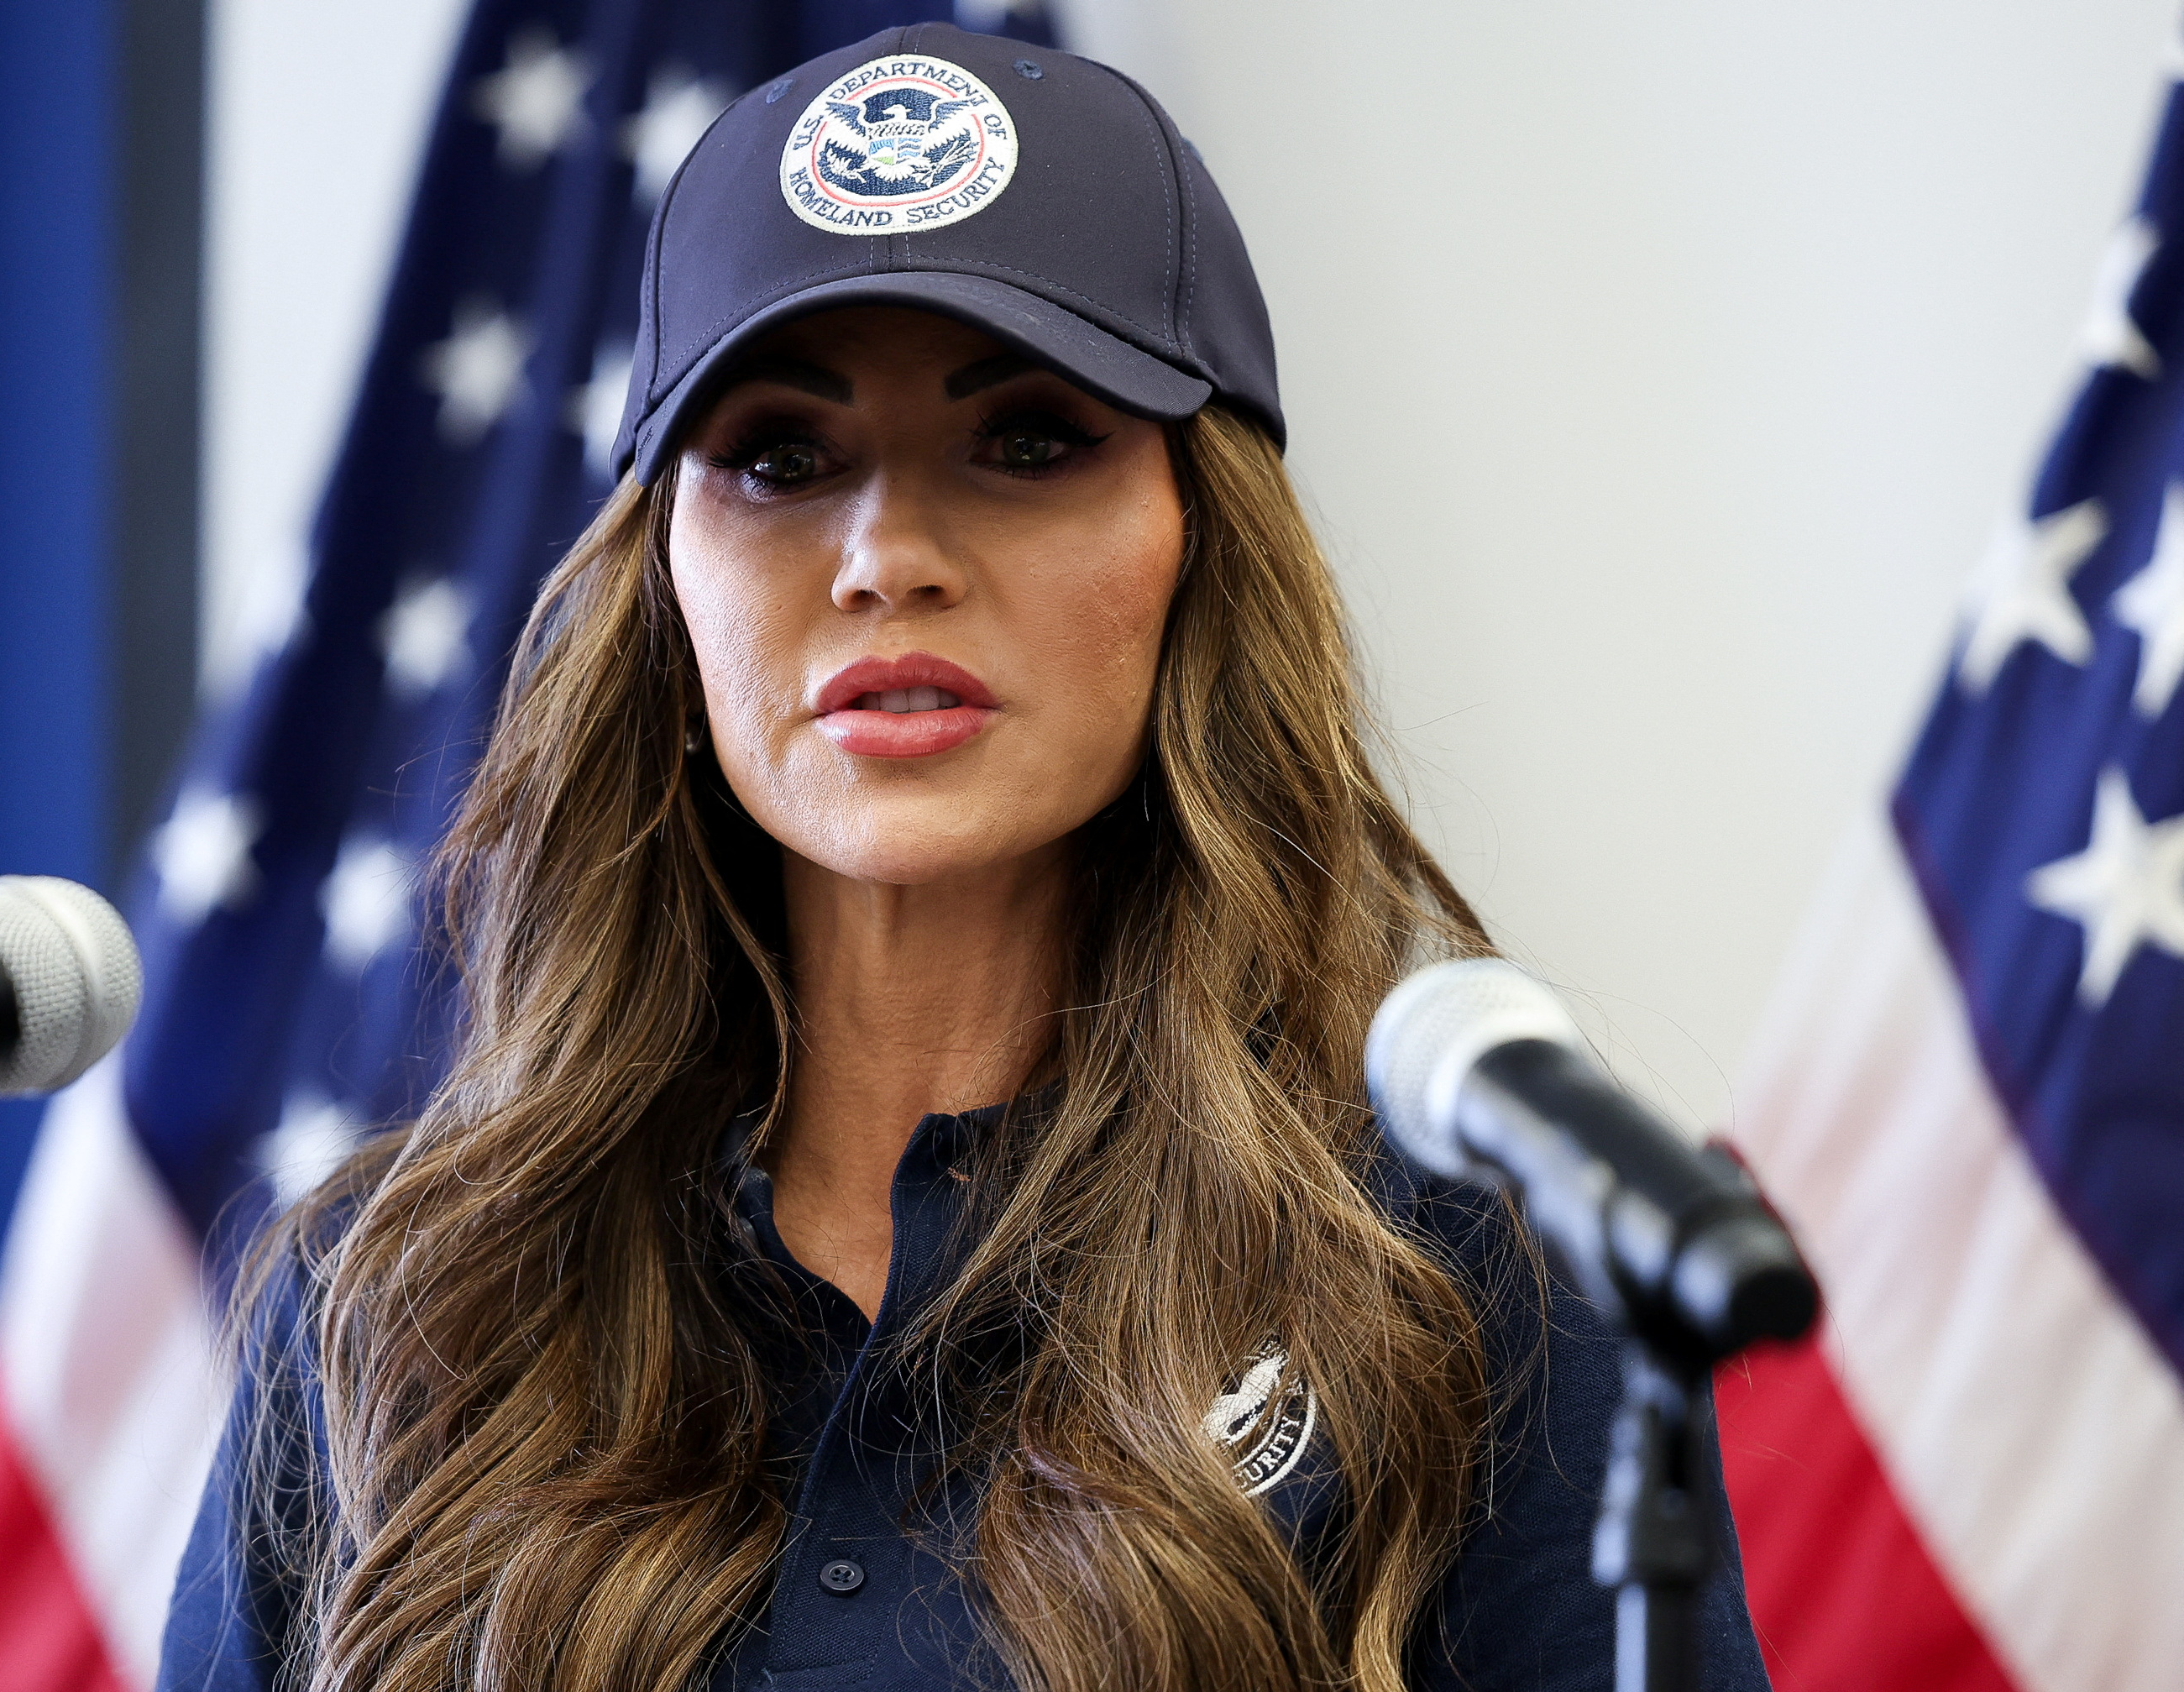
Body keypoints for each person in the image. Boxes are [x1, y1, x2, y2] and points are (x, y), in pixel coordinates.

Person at [160, 24, 1769, 1692]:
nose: (887, 556)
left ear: (1197, 546)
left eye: (1026, 441)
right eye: (784, 455)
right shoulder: (399, 1308)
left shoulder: (1452, 1272)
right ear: (664, 586)